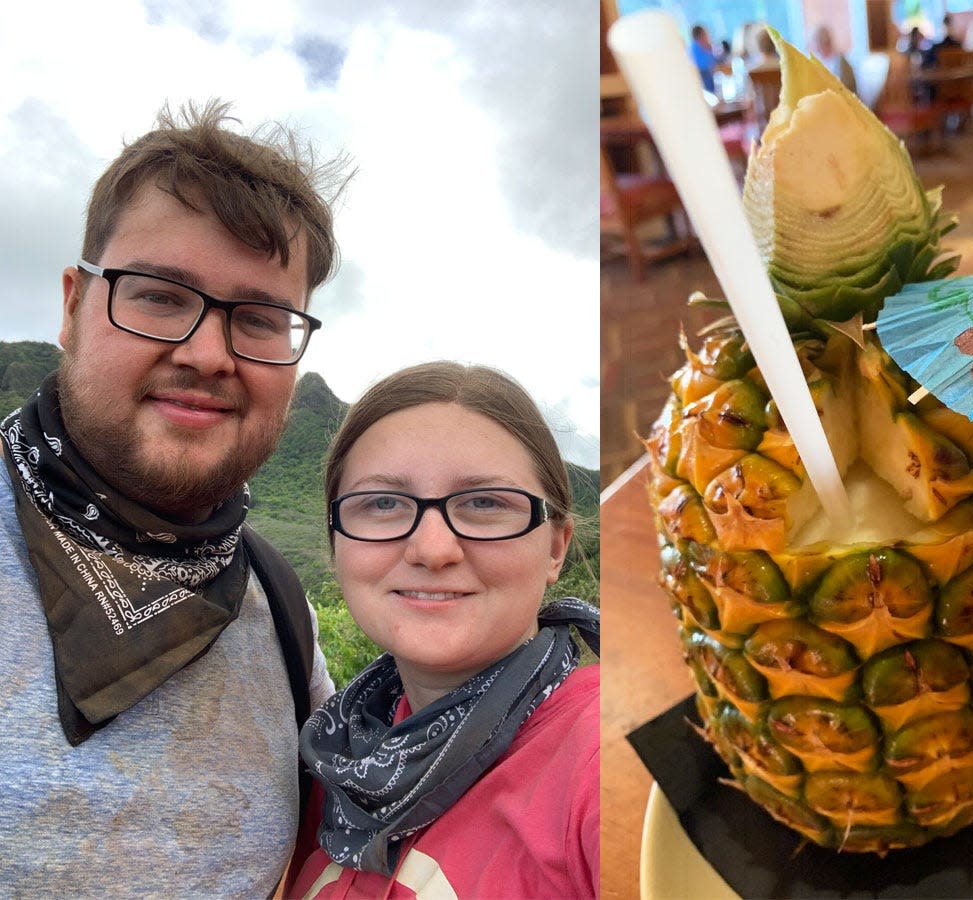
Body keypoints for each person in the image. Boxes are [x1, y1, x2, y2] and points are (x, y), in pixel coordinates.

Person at [0, 100, 343, 895]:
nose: (206, 353)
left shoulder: (280, 610)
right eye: (157, 295)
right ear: (72, 306)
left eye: (258, 318)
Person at [288, 361, 600, 898]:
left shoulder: (602, 758)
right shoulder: (337, 764)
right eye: (383, 503)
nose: (432, 550)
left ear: (555, 546)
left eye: (484, 503)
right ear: (336, 542)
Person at [811, 24, 857, 94]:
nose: (815, 50)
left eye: (817, 45)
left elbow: (846, 90)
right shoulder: (818, 61)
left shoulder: (841, 64)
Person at [690, 23, 728, 94]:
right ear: (701, 37)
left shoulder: (702, 49)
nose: (709, 38)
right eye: (706, 35)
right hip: (707, 91)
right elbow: (712, 68)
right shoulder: (696, 51)